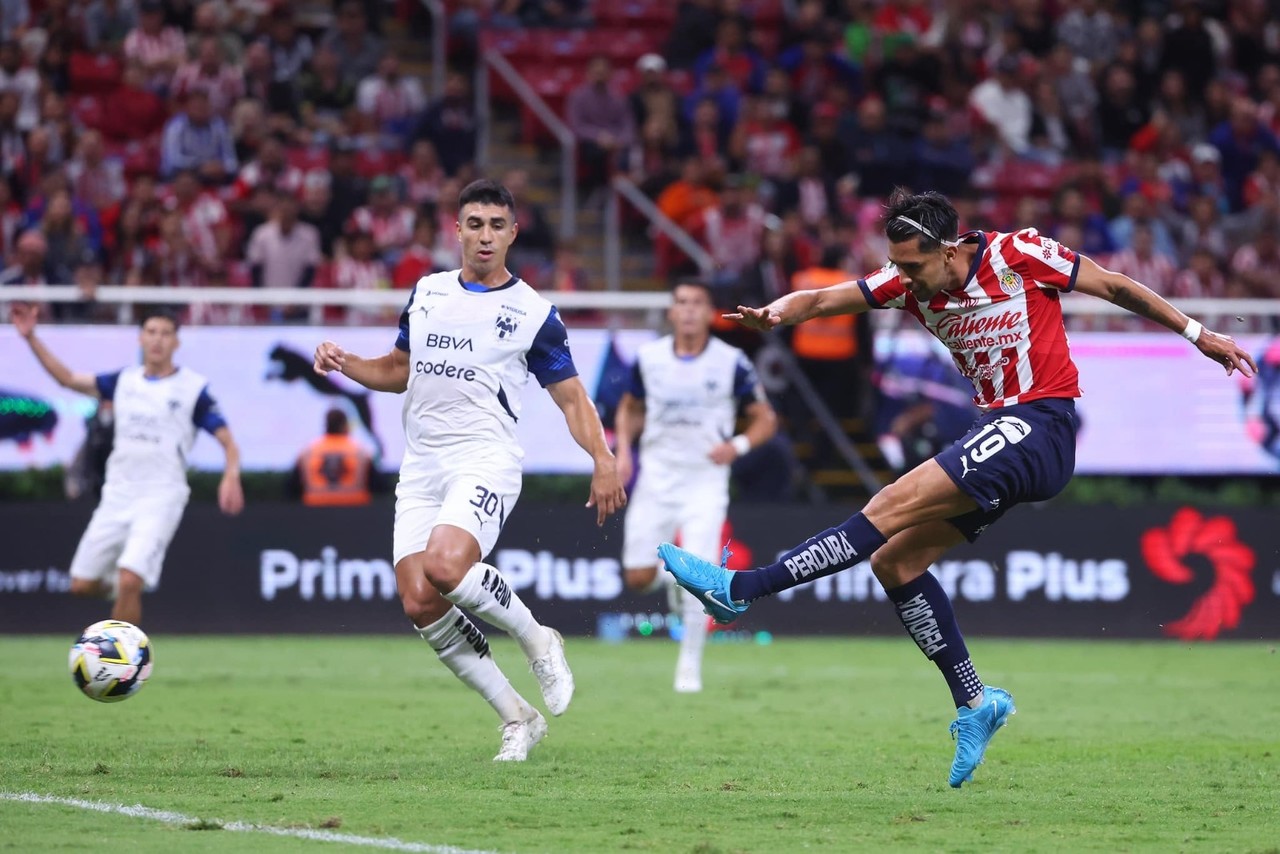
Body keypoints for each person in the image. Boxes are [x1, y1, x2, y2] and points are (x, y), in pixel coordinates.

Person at [659, 188, 1255, 788]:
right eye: (896, 264)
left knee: (888, 505)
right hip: (1000, 433)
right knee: (895, 562)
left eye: (913, 266)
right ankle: (975, 703)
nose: (903, 278)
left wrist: (1198, 333)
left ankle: (741, 589)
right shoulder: (905, 280)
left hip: (1040, 424)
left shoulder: (1019, 253)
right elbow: (821, 298)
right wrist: (777, 313)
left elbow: (1116, 286)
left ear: (948, 251)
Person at [312, 179, 627, 762]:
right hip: (422, 463)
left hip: (485, 457)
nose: (485, 236)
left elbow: (573, 399)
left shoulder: (533, 312)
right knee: (418, 600)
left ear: (512, 233)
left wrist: (603, 459)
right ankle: (517, 717)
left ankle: (537, 638)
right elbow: (398, 369)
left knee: (445, 566)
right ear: (456, 230)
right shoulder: (428, 292)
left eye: (496, 226)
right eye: (474, 224)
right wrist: (346, 362)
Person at [8, 304, 245, 625]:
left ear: (177, 342)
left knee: (131, 579)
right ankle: (122, 594)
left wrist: (231, 475)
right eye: (151, 332)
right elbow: (67, 379)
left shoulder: (193, 389)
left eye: (165, 333)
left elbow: (228, 440)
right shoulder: (122, 381)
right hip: (117, 494)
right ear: (140, 339)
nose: (158, 340)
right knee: (82, 585)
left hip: (161, 495)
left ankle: (125, 668)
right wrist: (31, 338)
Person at [614, 281, 776, 693]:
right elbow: (630, 407)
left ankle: (688, 669)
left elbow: (765, 419)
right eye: (681, 303)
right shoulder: (649, 359)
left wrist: (736, 445)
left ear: (709, 313)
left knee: (701, 579)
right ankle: (673, 579)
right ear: (671, 312)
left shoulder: (731, 362)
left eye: (696, 304)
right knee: (636, 577)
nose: (687, 311)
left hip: (705, 482)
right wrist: (623, 453)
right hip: (657, 477)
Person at [289, 408, 380, 507]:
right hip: (354, 512)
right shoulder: (360, 452)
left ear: (326, 425)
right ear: (344, 425)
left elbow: (291, 488)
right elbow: (379, 485)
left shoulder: (308, 452)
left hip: (315, 512)